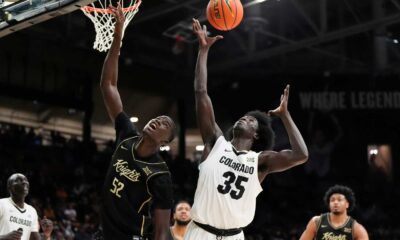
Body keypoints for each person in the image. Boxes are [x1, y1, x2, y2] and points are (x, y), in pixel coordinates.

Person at [185, 19, 309, 240]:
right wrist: (203, 51)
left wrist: (285, 116)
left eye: (251, 120)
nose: (244, 118)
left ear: (256, 134)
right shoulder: (215, 142)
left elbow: (301, 155)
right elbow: (201, 92)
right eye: (243, 117)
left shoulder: (260, 161)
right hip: (200, 233)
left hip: (234, 236)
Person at [99, 4, 176, 240]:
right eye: (157, 118)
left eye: (164, 123)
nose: (156, 120)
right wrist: (118, 36)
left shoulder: (160, 175)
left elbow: (162, 233)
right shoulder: (127, 135)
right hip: (105, 233)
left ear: (165, 141)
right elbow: (108, 85)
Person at [300, 185, 369, 240]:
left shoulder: (357, 229)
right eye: (332, 200)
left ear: (347, 204)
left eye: (339, 200)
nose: (335, 202)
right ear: (329, 204)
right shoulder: (316, 222)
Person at [0, 173, 53, 240]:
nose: (24, 182)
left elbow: (35, 238)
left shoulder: (32, 211)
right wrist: (4, 237)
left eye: (25, 180)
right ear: (10, 187)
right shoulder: (1, 204)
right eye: (18, 180)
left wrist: (46, 235)